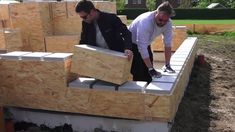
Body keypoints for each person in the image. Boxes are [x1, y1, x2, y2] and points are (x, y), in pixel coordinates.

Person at [128, 1, 176, 83]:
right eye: (160, 19)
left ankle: (149, 89)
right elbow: (141, 47)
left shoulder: (168, 23)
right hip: (131, 44)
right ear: (156, 12)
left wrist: (167, 64)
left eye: (165, 20)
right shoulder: (145, 22)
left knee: (149, 74)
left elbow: (167, 44)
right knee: (139, 72)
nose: (162, 23)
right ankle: (140, 93)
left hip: (146, 44)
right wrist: (150, 68)